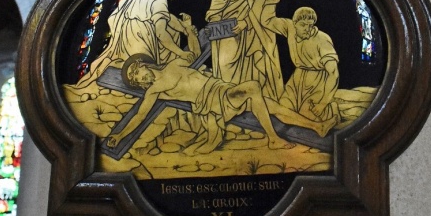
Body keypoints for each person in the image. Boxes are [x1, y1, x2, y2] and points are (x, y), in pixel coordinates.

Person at [107, 56, 332, 151]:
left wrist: (188, 31)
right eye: (137, 82)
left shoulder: (171, 65)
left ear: (144, 65)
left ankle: (317, 127)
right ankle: (273, 139)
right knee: (253, 87)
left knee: (272, 106)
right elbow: (139, 116)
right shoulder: (155, 91)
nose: (142, 79)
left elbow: (193, 53)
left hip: (220, 88)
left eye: (140, 74)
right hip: (215, 102)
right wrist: (119, 135)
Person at [264, 0, 377, 134]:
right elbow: (266, 21)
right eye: (303, 25)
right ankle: (322, 121)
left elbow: (333, 73)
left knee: (308, 113)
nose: (307, 29)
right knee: (282, 110)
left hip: (318, 80)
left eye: (310, 25)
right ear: (295, 23)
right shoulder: (289, 28)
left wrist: (323, 102)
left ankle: (332, 110)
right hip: (297, 79)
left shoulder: (322, 40)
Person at [76, 0, 194, 88]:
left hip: (123, 36)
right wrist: (180, 53)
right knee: (170, 39)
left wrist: (183, 27)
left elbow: (165, 16)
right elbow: (161, 32)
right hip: (140, 40)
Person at [206, 0, 283, 100]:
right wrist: (214, 15)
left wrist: (246, 22)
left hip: (253, 22)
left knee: (256, 61)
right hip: (228, 24)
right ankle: (232, 99)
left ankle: (254, 100)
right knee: (224, 61)